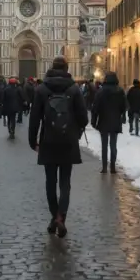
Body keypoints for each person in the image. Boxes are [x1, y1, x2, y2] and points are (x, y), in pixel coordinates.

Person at [29, 56, 88, 238]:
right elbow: (84, 118)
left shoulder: (41, 89)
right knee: (65, 183)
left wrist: (33, 141)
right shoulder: (74, 89)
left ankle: (55, 217)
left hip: (48, 141)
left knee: (50, 182)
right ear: (67, 68)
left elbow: (34, 118)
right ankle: (61, 217)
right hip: (68, 141)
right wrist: (76, 133)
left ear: (51, 68)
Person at [91, 72, 127, 174]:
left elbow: (95, 108)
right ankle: (112, 167)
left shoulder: (101, 91)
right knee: (113, 145)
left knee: (104, 145)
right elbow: (124, 106)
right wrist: (122, 116)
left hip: (103, 121)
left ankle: (104, 167)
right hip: (115, 121)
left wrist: (94, 121)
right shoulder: (120, 91)